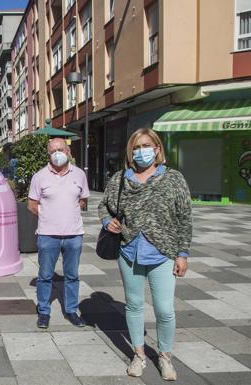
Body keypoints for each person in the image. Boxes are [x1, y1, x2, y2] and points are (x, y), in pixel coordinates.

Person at [98, 128, 192, 381]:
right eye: (136, 147)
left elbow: (184, 218)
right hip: (129, 252)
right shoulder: (120, 179)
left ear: (158, 149)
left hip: (163, 254)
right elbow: (103, 205)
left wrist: (182, 254)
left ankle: (164, 356)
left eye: (146, 146)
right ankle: (139, 355)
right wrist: (108, 221)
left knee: (164, 309)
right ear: (130, 152)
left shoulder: (173, 179)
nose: (142, 151)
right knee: (134, 305)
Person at [27, 138, 90, 329]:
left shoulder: (79, 175)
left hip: (74, 234)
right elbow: (31, 205)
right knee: (45, 275)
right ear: (48, 153)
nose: (57, 154)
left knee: (72, 275)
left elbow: (83, 201)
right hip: (48, 235)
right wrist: (49, 215)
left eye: (60, 149)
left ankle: (71, 310)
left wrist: (68, 212)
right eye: (53, 150)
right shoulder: (39, 176)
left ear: (68, 151)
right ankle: (44, 311)